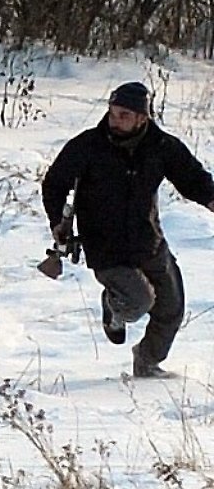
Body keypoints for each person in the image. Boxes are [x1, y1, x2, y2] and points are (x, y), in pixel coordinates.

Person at [42, 81, 214, 378]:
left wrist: (211, 198)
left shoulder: (161, 147)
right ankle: (114, 305)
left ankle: (147, 363)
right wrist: (58, 219)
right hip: (105, 247)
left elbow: (192, 179)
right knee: (139, 301)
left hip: (148, 241)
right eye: (112, 113)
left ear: (142, 118)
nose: (115, 120)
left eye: (123, 115)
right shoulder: (88, 145)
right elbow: (55, 183)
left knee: (171, 309)